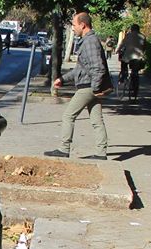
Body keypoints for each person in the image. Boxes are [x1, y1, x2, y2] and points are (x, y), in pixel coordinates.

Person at [44, 11, 113, 161]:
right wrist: (63, 79)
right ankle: (101, 153)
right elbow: (80, 69)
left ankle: (64, 149)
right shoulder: (88, 41)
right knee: (97, 120)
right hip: (91, 85)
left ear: (83, 25)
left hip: (88, 87)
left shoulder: (90, 42)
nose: (73, 28)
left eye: (74, 25)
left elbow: (98, 67)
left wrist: (95, 88)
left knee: (68, 115)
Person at [117, 23, 145, 100]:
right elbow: (144, 47)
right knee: (135, 71)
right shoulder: (142, 36)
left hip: (127, 57)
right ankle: (134, 84)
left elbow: (122, 45)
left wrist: (118, 50)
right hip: (138, 58)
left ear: (131, 29)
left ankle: (123, 75)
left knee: (124, 65)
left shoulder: (128, 35)